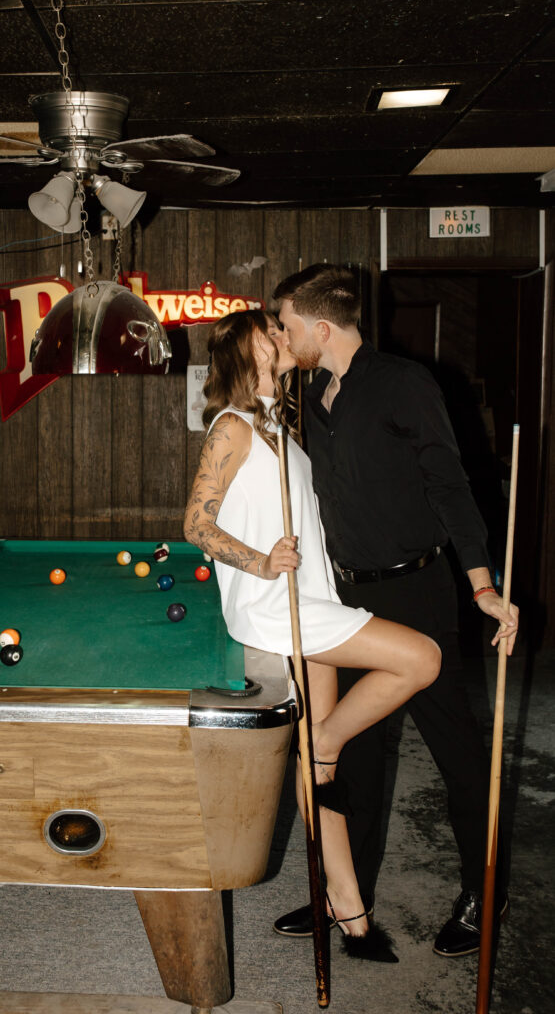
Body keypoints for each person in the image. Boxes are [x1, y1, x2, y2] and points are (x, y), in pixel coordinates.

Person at [271, 263, 518, 957]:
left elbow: (449, 485)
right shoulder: (315, 391)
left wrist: (481, 586)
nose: (282, 338)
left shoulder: (404, 384)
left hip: (417, 591)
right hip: (347, 597)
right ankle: (346, 897)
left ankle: (483, 893)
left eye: (288, 327)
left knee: (458, 755)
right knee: (351, 754)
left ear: (321, 327)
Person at [183, 308, 441, 960]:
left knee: (316, 770)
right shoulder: (232, 429)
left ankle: (348, 911)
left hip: (309, 602)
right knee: (420, 658)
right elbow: (196, 525)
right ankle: (323, 742)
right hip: (275, 610)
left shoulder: (282, 431)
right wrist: (260, 561)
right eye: (268, 334)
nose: (279, 337)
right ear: (246, 355)